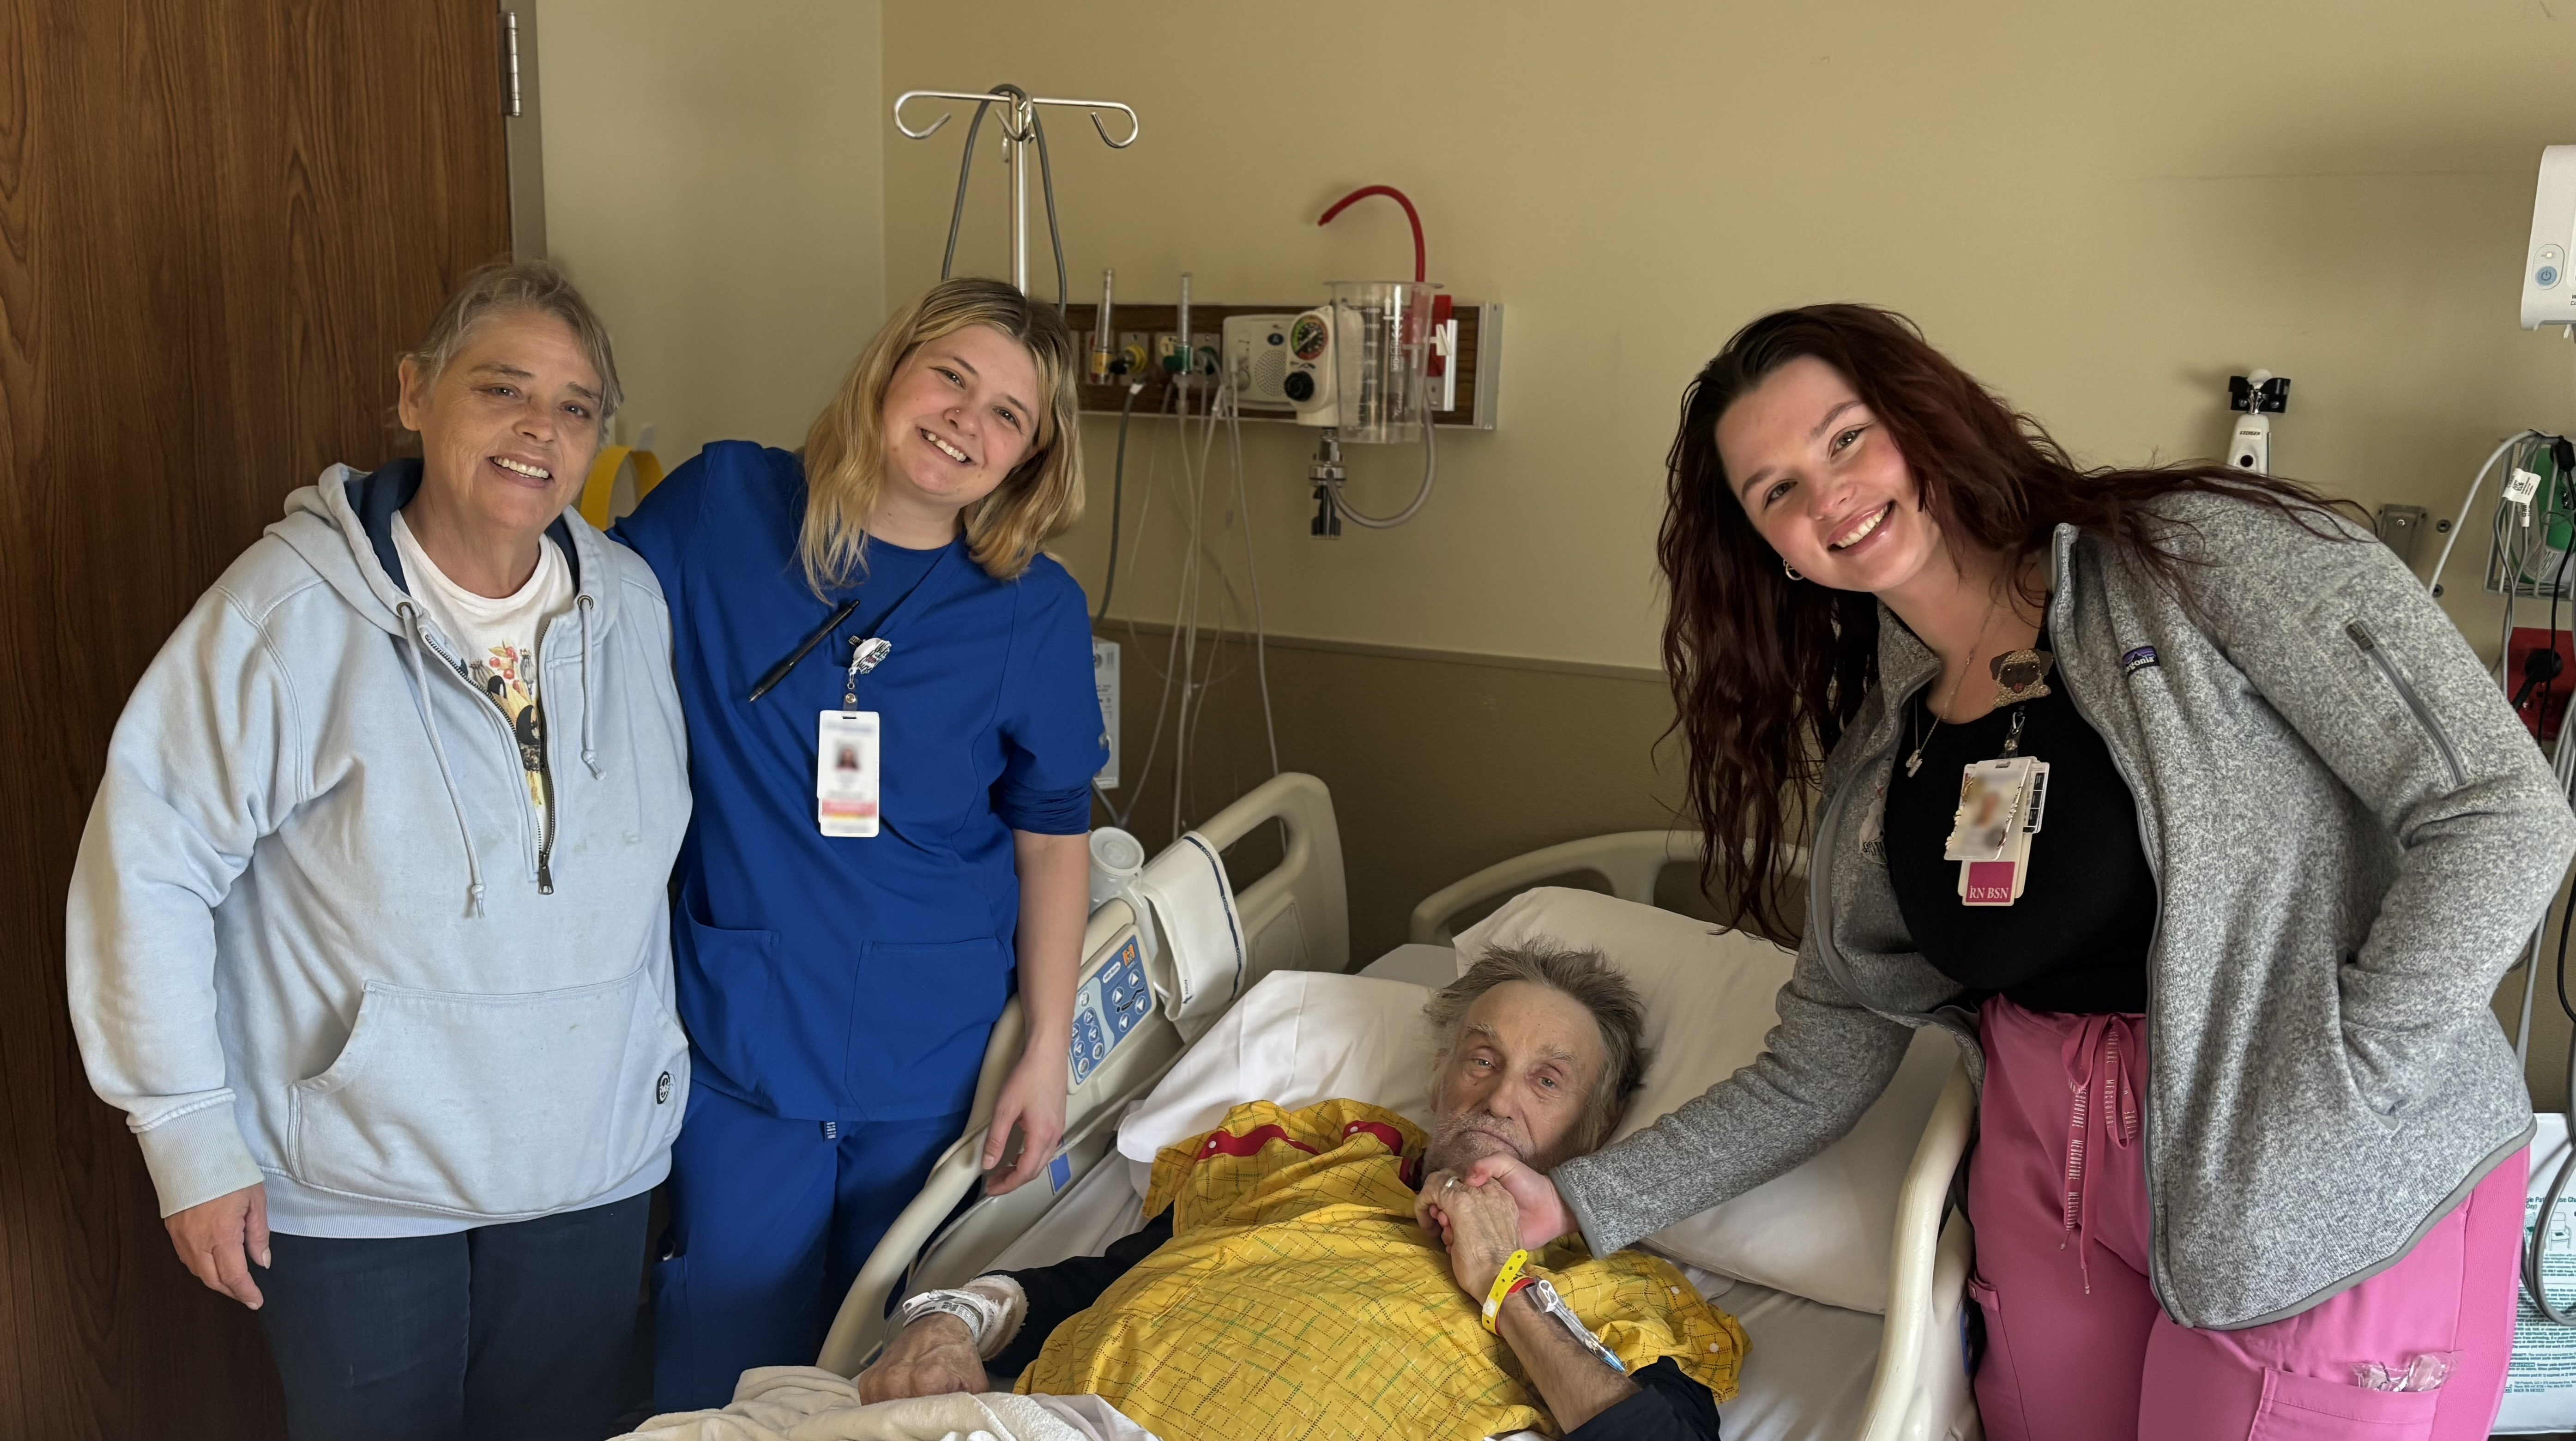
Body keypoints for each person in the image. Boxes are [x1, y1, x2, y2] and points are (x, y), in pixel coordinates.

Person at [1449, 304, 2576, 1440]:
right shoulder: (1891, 753)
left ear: (1925, 417)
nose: (1827, 495)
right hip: (2051, 1195)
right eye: (1776, 490)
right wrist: (1583, 1199)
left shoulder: (2191, 562)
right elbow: (1823, 1057)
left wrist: (2351, 1077)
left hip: (2313, 1172)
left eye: (1847, 439)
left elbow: (2501, 809)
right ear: (1765, 545)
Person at [64, 260, 693, 1441]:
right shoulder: (285, 616)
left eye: (573, 407)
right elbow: (145, 870)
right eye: (501, 388)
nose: (537, 432)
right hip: (358, 1186)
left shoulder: (631, 604)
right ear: (414, 393)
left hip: (588, 1168)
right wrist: (188, 1136)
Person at [614, 278, 1106, 1408]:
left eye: (1008, 416)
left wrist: (1047, 1049)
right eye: (951, 378)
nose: (964, 423)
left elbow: (1052, 833)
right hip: (748, 1041)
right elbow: (567, 612)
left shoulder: (1032, 607)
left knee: (900, 1376)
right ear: (891, 371)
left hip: (934, 1053)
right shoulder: (720, 510)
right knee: (724, 1373)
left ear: (1030, 459)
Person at [844, 946, 1743, 1441]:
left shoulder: (1624, 1294)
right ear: (1441, 1075)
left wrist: (1506, 1283)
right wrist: (948, 1317)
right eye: (1482, 1057)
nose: (1500, 1096)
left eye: (1548, 1081)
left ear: (1597, 1125)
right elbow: (1093, 1286)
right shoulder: (1304, 1158)